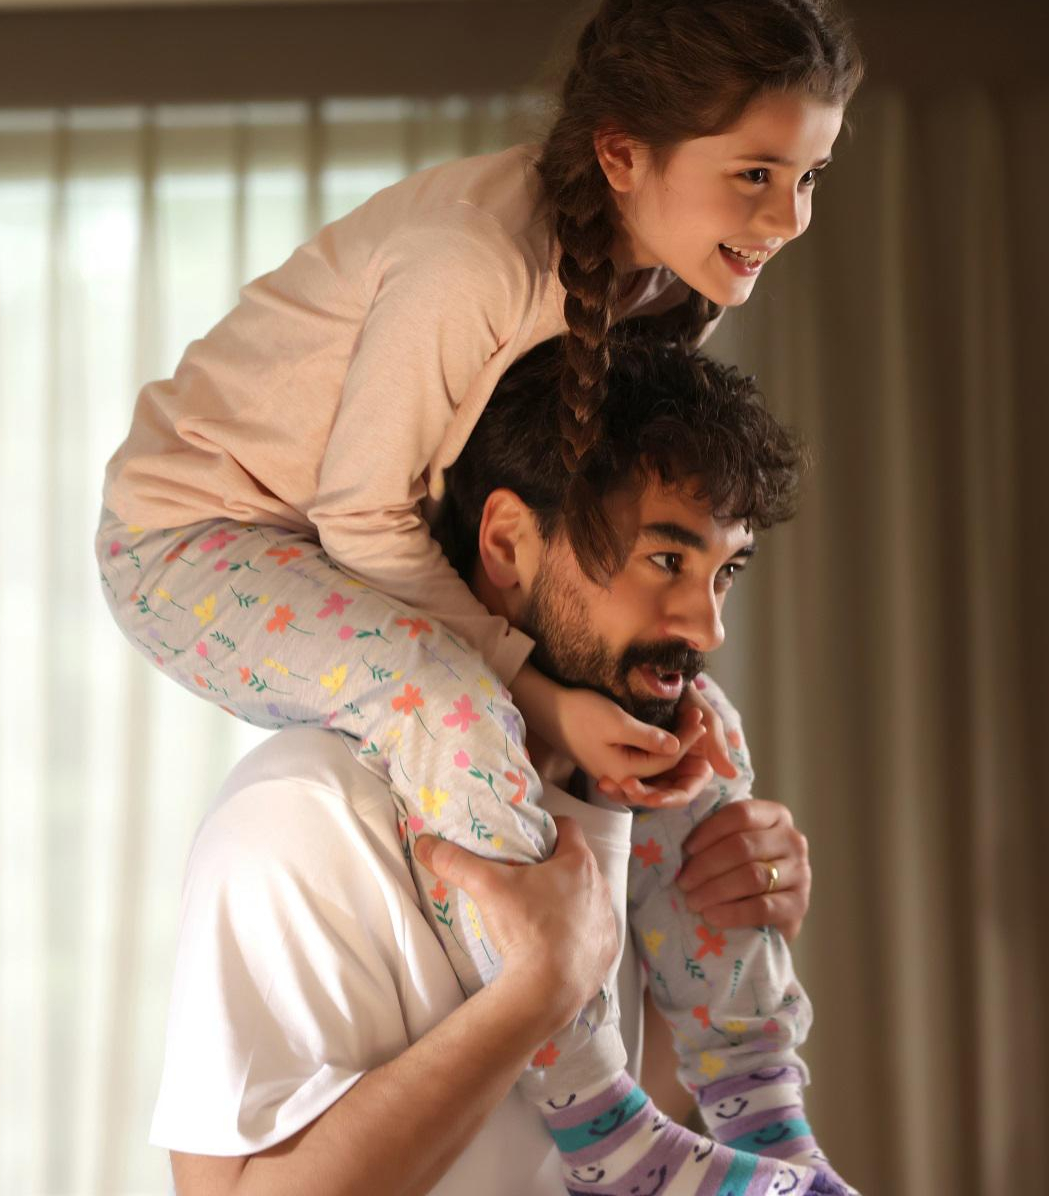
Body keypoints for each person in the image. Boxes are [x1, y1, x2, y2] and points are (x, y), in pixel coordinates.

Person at [97, 0, 863, 1190]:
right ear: (623, 155)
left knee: (692, 727)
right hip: (204, 540)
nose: (788, 219)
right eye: (755, 174)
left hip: (374, 545)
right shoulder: (471, 263)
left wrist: (696, 837)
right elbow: (362, 514)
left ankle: (765, 1111)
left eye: (809, 175)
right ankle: (602, 1125)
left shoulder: (664, 276)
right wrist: (545, 701)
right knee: (450, 707)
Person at [151, 333, 841, 1194]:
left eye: (724, 571)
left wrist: (728, 918)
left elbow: (618, 1164)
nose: (708, 628)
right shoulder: (301, 813)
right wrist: (536, 993)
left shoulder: (609, 802)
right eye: (665, 560)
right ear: (509, 543)